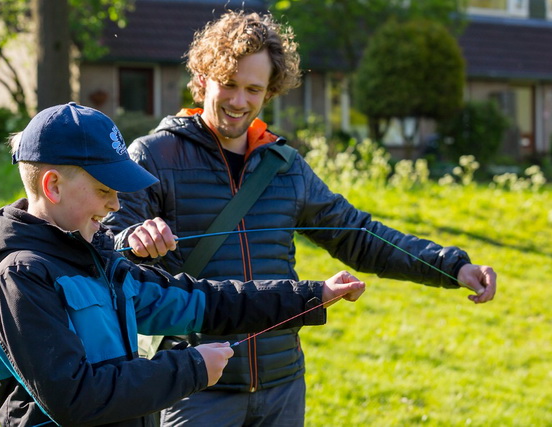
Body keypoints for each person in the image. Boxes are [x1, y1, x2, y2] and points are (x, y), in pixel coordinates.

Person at [102, 10, 498, 427]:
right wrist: (135, 238)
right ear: (202, 80)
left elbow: (358, 236)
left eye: (253, 89)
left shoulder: (284, 165)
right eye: (229, 84)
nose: (239, 101)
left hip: (282, 386)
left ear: (270, 92)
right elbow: (106, 243)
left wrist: (452, 266)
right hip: (195, 386)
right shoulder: (153, 156)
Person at [0, 102, 367, 427]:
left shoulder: (100, 260)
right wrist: (191, 367)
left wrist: (312, 295)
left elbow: (202, 301)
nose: (115, 205)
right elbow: (75, 398)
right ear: (53, 185)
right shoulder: (22, 277)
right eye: (104, 190)